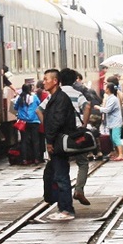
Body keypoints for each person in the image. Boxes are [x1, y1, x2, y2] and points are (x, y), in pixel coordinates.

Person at [42, 69, 77, 221]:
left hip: (59, 143)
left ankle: (66, 209)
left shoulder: (60, 99)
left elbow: (57, 122)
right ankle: (62, 206)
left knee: (61, 176)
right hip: (57, 142)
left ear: (55, 81)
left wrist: (49, 140)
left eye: (46, 79)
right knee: (56, 175)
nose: (44, 82)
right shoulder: (55, 98)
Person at [60, 68, 92, 206]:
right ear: (74, 80)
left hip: (61, 134)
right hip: (76, 133)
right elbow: (87, 107)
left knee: (61, 164)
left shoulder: (55, 95)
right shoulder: (77, 94)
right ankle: (79, 190)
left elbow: (40, 110)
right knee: (83, 163)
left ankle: (64, 197)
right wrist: (84, 124)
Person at [14, 82, 43, 165]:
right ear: (30, 89)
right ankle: (36, 158)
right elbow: (39, 106)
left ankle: (24, 159)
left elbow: (15, 107)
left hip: (23, 122)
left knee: (24, 141)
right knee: (35, 140)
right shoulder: (35, 97)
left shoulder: (20, 98)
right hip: (34, 121)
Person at [102, 83, 123, 161]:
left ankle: (121, 154)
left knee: (116, 138)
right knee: (112, 138)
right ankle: (117, 153)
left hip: (115, 122)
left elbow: (107, 110)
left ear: (108, 89)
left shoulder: (113, 99)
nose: (105, 89)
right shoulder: (110, 98)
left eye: (106, 88)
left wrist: (99, 108)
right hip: (112, 122)